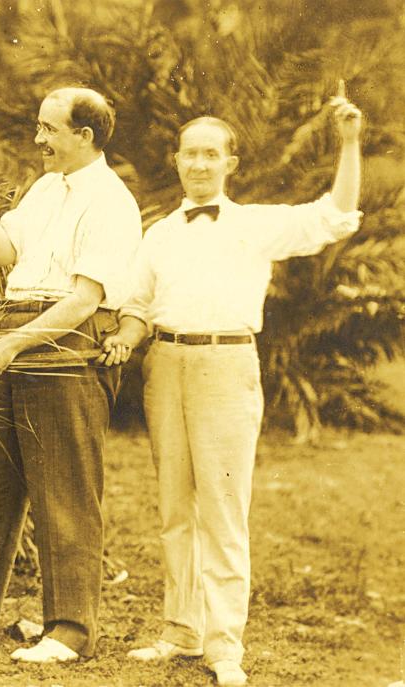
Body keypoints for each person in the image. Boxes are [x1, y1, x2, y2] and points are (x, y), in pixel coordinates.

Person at [99, 88, 363, 686]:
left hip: (226, 367)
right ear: (177, 160)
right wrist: (124, 339)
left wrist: (349, 143)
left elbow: (334, 216)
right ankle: (181, 630)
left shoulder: (255, 225)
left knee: (222, 509)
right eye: (190, 153)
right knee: (173, 508)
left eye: (211, 154)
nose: (198, 164)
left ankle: (224, 646)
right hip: (164, 366)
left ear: (230, 164)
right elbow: (138, 304)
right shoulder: (160, 232)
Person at [0, 87, 142, 663]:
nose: (38, 139)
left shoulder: (113, 202)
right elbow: (5, 254)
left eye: (48, 129)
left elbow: (84, 300)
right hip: (15, 330)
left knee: (65, 489)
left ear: (84, 136)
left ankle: (69, 629)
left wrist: (13, 343)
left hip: (63, 341)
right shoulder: (45, 188)